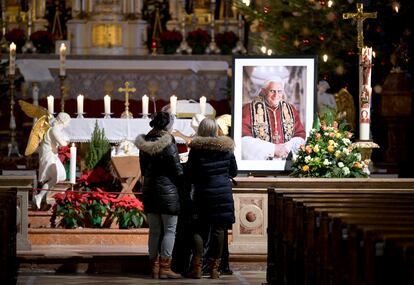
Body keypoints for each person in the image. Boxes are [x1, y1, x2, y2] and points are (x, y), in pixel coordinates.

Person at [185, 118, 238, 279]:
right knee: (219, 229)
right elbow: (234, 171)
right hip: (223, 192)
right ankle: (215, 269)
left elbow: (190, 173)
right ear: (216, 130)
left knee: (198, 228)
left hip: (203, 192)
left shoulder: (196, 149)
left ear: (201, 130)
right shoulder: (227, 148)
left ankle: (197, 268)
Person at [135, 111, 183, 279]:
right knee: (170, 230)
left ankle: (153, 267)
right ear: (167, 125)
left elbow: (143, 169)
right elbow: (177, 171)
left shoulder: (144, 141)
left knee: (154, 231)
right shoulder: (168, 142)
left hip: (149, 190)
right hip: (167, 192)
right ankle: (165, 267)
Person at [241, 77, 306, 160]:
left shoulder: (291, 109)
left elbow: (300, 135)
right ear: (264, 91)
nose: (276, 95)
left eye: (279, 91)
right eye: (272, 91)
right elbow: (243, 140)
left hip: (285, 162)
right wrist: (272, 149)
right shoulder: (248, 109)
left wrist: (286, 148)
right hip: (261, 164)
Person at [35, 112, 71, 210]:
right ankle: (43, 196)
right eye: (68, 122)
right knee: (56, 176)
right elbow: (63, 143)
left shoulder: (55, 129)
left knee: (60, 176)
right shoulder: (55, 129)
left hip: (53, 155)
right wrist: (67, 141)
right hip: (48, 155)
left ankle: (42, 196)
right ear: (63, 121)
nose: (68, 125)